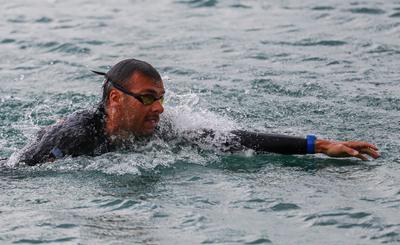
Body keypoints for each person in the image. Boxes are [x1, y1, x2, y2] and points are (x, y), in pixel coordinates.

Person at [17, 58, 380, 166]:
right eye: (146, 98)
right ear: (115, 100)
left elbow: (235, 140)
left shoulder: (163, 128)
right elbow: (16, 173)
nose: (158, 108)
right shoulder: (76, 136)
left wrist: (317, 145)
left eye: (160, 97)